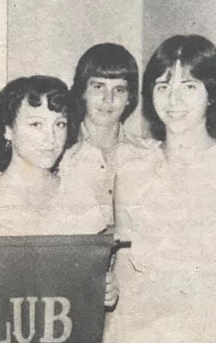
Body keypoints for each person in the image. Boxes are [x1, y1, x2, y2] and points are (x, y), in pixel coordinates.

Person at [101, 35, 216, 343]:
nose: (174, 100)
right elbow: (124, 266)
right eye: (163, 86)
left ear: (212, 94)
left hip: (214, 337)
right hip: (140, 337)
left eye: (189, 86)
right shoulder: (131, 174)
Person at [0, 75, 117, 306]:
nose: (50, 138)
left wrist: (107, 287)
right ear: (8, 129)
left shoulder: (78, 195)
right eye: (36, 124)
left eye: (59, 124)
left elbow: (92, 275)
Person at [59, 43, 157, 226]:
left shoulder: (149, 154)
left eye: (119, 90)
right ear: (82, 91)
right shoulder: (60, 155)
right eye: (98, 87)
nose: (108, 99)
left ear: (129, 98)